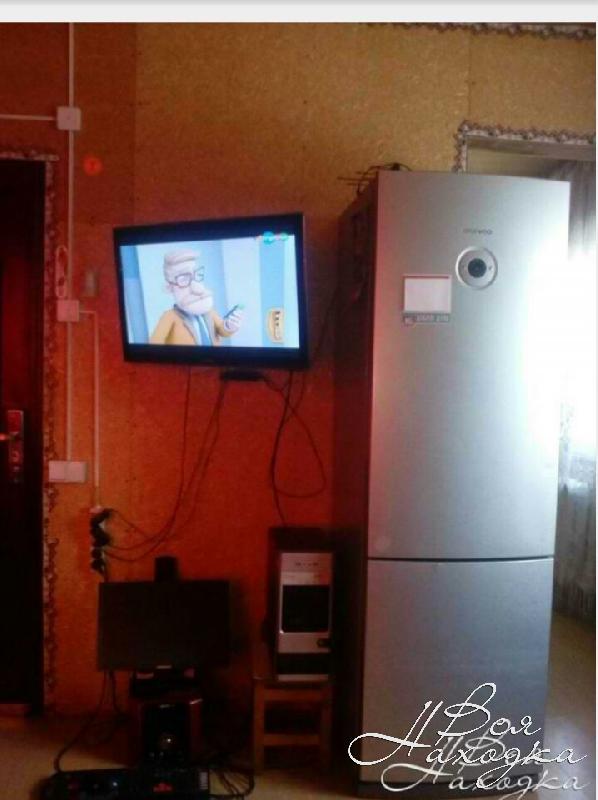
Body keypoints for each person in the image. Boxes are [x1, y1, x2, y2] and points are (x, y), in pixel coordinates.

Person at [150, 249, 243, 346]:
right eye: (184, 279)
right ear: (169, 287)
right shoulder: (169, 317)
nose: (198, 289)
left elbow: (221, 330)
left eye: (197, 275)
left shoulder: (209, 312)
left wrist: (229, 325)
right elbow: (153, 345)